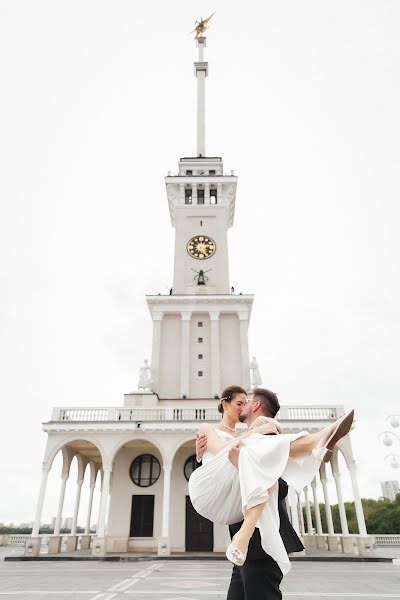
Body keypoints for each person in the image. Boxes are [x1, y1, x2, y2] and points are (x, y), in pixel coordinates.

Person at [190, 385, 354, 582]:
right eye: (239, 403)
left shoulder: (248, 437)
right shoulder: (210, 429)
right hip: (211, 490)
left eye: (245, 403)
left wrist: (257, 431)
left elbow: (273, 478)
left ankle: (316, 442)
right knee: (260, 457)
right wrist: (201, 456)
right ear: (225, 404)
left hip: (240, 512)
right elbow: (220, 451)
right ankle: (315, 441)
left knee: (260, 458)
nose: (242, 408)